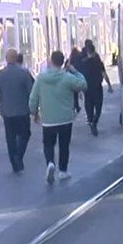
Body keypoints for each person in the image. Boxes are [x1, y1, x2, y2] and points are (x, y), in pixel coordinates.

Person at [29, 50, 88, 184]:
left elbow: (33, 98)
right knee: (64, 145)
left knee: (48, 144)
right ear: (63, 63)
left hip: (48, 119)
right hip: (65, 118)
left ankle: (50, 162)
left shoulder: (41, 78)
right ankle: (63, 171)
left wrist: (34, 113)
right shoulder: (67, 77)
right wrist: (75, 71)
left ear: (51, 61)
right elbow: (83, 85)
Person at [0, 48, 35, 173]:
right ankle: (19, 155)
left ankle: (14, 162)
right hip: (22, 111)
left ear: (6, 59)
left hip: (7, 112)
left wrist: (1, 106)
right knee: (25, 134)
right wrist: (33, 108)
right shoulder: (24, 73)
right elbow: (30, 92)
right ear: (16, 58)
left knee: (10, 138)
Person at [79, 40, 113, 136]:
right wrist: (109, 85)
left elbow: (80, 77)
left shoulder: (83, 63)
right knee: (98, 106)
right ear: (94, 51)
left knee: (88, 105)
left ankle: (90, 121)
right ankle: (95, 121)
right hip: (97, 87)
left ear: (87, 52)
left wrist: (79, 90)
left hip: (87, 88)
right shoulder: (99, 62)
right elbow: (104, 74)